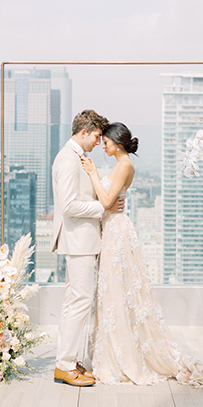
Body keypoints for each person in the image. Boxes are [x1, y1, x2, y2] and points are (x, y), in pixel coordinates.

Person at [81, 122, 203, 387]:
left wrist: (94, 176)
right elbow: (110, 202)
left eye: (106, 142)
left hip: (117, 233)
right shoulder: (121, 165)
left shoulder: (125, 166)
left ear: (116, 143)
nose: (103, 146)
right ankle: (113, 350)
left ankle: (121, 357)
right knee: (113, 292)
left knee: (116, 291)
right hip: (112, 229)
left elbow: (108, 202)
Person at [52, 109, 125, 387]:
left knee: (76, 300)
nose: (98, 141)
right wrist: (103, 207)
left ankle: (68, 360)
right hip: (78, 240)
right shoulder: (68, 160)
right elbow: (69, 206)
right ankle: (65, 365)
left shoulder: (75, 157)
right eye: (96, 136)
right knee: (79, 301)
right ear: (84, 132)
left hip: (82, 239)